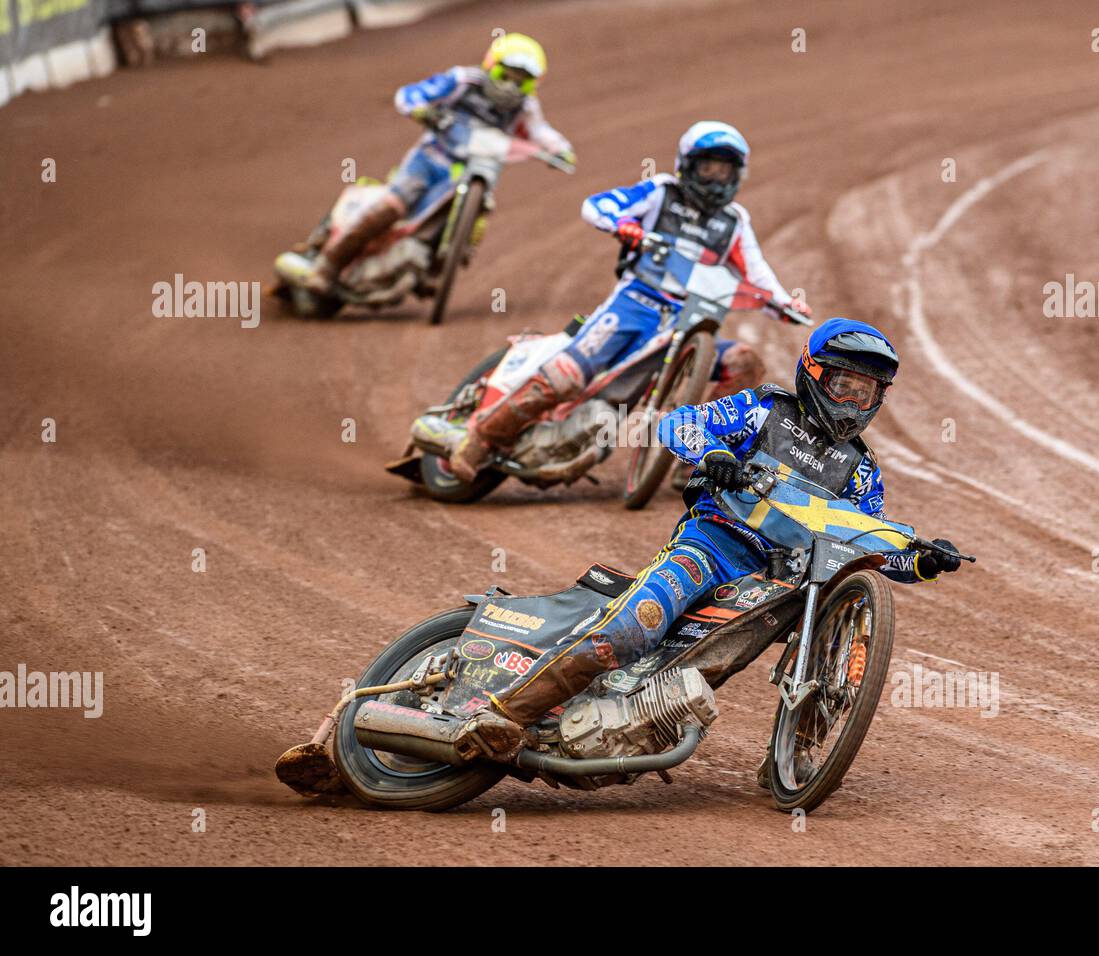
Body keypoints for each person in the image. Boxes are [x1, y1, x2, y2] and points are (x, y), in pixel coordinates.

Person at [485, 318, 964, 755]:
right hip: (712, 545)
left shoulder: (861, 470)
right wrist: (716, 454)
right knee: (634, 624)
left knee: (833, 621)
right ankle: (500, 714)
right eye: (844, 386)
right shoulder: (765, 410)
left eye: (867, 393)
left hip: (780, 583)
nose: (854, 404)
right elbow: (681, 422)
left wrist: (921, 559)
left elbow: (868, 541)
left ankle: (798, 751)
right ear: (813, 373)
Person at [448, 120, 811, 481]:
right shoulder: (661, 191)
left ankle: (697, 462)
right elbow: (597, 205)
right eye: (708, 167)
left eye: (724, 170)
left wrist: (785, 303)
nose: (716, 178)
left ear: (738, 174)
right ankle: (480, 437)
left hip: (691, 317)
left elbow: (757, 273)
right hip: (637, 304)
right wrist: (623, 225)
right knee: (567, 377)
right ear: (687, 165)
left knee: (743, 362)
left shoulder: (735, 221)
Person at [282, 33, 574, 295]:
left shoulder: (525, 106)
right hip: (430, 159)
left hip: (474, 172)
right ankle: (327, 266)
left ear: (534, 83)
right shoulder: (463, 81)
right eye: (505, 74)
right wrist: (423, 111)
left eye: (521, 80)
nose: (511, 86)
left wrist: (561, 150)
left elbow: (540, 131)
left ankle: (437, 269)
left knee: (480, 213)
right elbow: (410, 94)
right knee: (394, 205)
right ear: (490, 66)